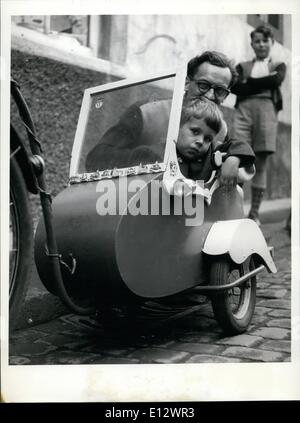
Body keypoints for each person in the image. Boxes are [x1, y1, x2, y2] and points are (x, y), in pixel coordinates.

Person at [86, 50, 256, 186]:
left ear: (225, 96)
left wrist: (233, 159)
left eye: (219, 90)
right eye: (203, 85)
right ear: (187, 83)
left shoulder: (220, 129)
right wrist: (147, 160)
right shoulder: (147, 112)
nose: (210, 96)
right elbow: (96, 159)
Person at [231, 25, 287, 224]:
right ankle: (233, 210)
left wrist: (249, 84)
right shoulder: (242, 66)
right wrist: (260, 82)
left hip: (266, 113)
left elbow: (276, 81)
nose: (261, 44)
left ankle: (254, 214)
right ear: (252, 44)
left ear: (272, 42)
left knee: (260, 163)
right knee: (237, 157)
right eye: (257, 41)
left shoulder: (279, 65)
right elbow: (234, 85)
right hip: (243, 112)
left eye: (265, 40)